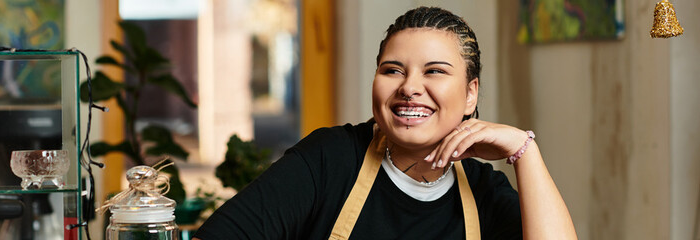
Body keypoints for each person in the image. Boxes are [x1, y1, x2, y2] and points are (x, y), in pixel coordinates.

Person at [194, 6, 576, 239]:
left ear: (471, 93)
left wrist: (524, 151)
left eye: (435, 71)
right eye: (392, 70)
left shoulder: (484, 193)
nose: (409, 88)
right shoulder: (329, 159)